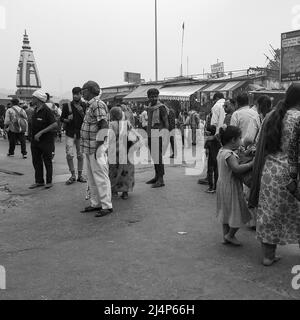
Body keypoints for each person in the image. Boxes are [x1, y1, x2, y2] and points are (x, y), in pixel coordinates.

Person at [253, 83, 300, 266]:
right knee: (296, 213)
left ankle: (268, 256)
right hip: (293, 173)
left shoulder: (272, 116)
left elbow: (260, 144)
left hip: (271, 172)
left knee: (270, 213)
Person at [80, 81, 113, 218]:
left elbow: (103, 126)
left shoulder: (98, 104)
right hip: (89, 147)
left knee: (100, 177)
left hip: (96, 147)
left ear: (91, 90)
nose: (82, 93)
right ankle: (96, 203)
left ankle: (106, 205)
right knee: (92, 177)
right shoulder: (91, 105)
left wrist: (99, 146)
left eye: (84, 90)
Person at [216, 126, 253, 246]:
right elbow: (236, 169)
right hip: (231, 187)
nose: (241, 141)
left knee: (226, 212)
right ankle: (230, 235)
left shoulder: (222, 151)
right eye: (239, 138)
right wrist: (251, 164)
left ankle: (225, 236)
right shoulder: (229, 154)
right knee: (239, 213)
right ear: (233, 140)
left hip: (222, 186)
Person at [108, 107, 141, 200]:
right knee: (126, 172)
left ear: (112, 115)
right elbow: (135, 136)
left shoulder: (111, 125)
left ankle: (114, 191)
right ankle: (125, 192)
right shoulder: (127, 124)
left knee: (113, 172)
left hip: (115, 153)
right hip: (127, 152)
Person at [29, 90, 58, 189]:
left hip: (46, 141)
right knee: (36, 161)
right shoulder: (35, 110)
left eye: (33, 98)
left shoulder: (46, 110)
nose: (32, 99)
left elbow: (54, 124)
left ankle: (49, 182)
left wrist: (41, 132)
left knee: (47, 161)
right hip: (35, 141)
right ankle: (39, 181)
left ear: (38, 99)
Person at [61, 87, 87, 185]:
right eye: (74, 94)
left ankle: (80, 175)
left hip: (80, 134)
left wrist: (82, 113)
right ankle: (72, 175)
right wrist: (67, 120)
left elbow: (87, 119)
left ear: (81, 94)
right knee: (69, 155)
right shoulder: (67, 105)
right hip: (70, 133)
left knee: (80, 155)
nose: (76, 95)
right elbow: (61, 118)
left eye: (78, 94)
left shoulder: (84, 105)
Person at [146, 88, 169, 188]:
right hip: (151, 133)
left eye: (156, 96)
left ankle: (161, 179)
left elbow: (166, 123)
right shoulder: (150, 107)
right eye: (152, 96)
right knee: (154, 156)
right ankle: (156, 176)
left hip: (158, 134)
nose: (154, 98)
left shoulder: (161, 107)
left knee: (158, 157)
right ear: (148, 97)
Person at [204, 125, 221, 194]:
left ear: (209, 132)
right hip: (217, 158)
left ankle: (211, 187)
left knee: (210, 173)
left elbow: (207, 151)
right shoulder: (217, 139)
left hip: (211, 158)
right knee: (216, 173)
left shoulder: (208, 140)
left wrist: (206, 156)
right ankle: (216, 187)